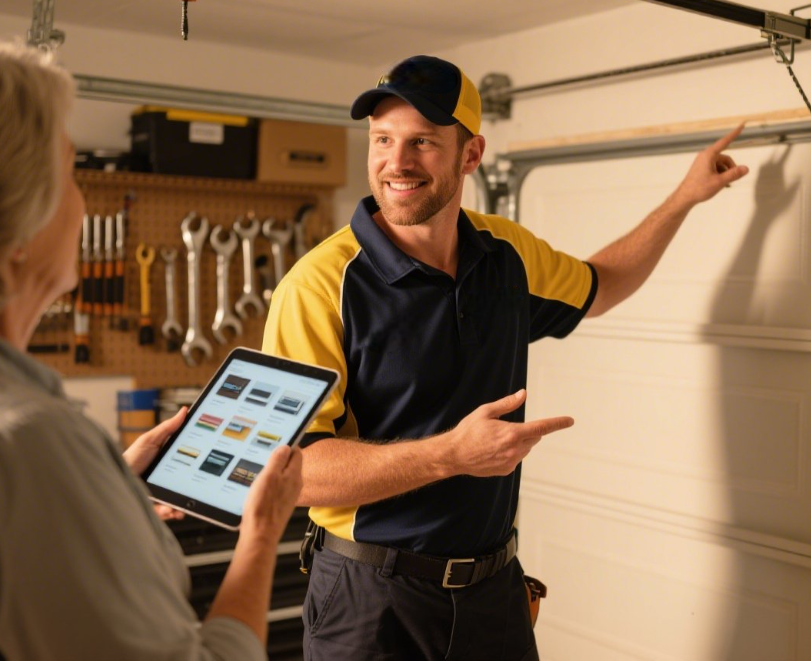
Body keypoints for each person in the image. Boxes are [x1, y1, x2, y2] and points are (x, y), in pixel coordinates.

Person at [260, 54, 748, 659]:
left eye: (423, 143)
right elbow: (292, 471)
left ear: (470, 155)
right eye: (382, 139)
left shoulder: (506, 255)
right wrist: (450, 456)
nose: (397, 163)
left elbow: (600, 285)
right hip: (370, 600)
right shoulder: (316, 286)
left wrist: (684, 197)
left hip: (492, 593)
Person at [0, 31, 303, 660]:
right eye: (70, 171)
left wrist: (101, 488)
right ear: (11, 220)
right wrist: (261, 529)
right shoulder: (22, 443)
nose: (81, 199)